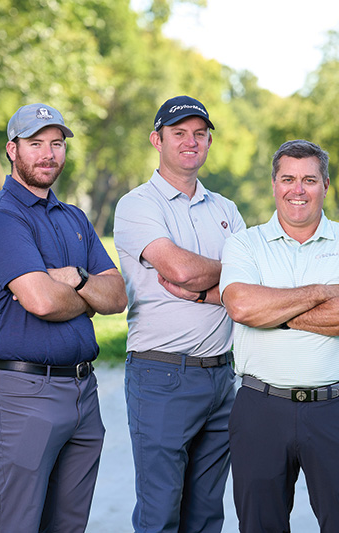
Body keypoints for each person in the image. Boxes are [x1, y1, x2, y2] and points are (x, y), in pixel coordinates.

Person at [0, 103, 128, 532]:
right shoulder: (3, 217)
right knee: (18, 524)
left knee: (68, 525)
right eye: (35, 143)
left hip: (82, 392)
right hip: (24, 392)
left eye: (56, 143)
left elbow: (116, 296)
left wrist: (74, 278)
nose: (48, 153)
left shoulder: (74, 217)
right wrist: (86, 292)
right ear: (12, 149)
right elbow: (40, 300)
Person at [219, 139, 339, 532]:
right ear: (274, 184)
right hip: (261, 407)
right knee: (259, 525)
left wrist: (274, 312)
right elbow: (242, 307)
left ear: (326, 184)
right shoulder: (245, 243)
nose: (298, 189)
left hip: (337, 408)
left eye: (309, 179)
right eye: (288, 178)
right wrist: (322, 291)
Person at [113, 95, 245, 533]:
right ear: (157, 140)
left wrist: (214, 284)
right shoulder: (137, 204)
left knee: (207, 514)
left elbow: (250, 285)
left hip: (221, 377)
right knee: (161, 513)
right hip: (162, 375)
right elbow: (181, 269)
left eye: (200, 134)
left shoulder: (226, 210)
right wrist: (230, 275)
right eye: (179, 133)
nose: (191, 142)